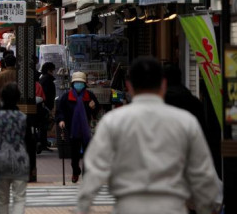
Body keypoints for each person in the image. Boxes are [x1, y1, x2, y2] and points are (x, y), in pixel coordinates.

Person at [76, 57, 221, 214]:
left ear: (129, 86)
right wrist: (207, 204)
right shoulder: (185, 122)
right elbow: (203, 173)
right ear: (163, 84)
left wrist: (83, 206)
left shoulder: (113, 121)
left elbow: (95, 169)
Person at [0, 83, 34, 214]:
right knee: (19, 198)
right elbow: (30, 144)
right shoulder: (24, 118)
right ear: (17, 98)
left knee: (2, 199)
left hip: (1, 161)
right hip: (21, 161)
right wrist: (32, 166)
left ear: (2, 97)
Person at [55, 71, 99, 183]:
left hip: (87, 129)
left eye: (81, 82)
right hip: (73, 129)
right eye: (76, 82)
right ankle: (76, 171)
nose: (79, 84)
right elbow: (60, 111)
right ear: (73, 83)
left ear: (85, 84)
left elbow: (96, 110)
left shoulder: (90, 96)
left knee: (88, 153)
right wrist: (61, 120)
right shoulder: (66, 97)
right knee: (74, 154)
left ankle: (87, 174)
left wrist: (93, 107)